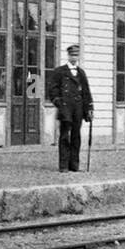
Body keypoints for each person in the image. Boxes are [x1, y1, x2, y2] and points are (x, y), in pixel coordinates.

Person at [46, 44, 93, 172]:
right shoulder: (60, 71)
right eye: (72, 55)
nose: (74, 58)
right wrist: (58, 102)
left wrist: (89, 108)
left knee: (76, 136)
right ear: (68, 56)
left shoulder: (81, 73)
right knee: (64, 136)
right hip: (65, 108)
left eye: (76, 55)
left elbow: (86, 92)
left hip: (78, 108)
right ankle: (63, 165)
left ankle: (74, 165)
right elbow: (52, 90)